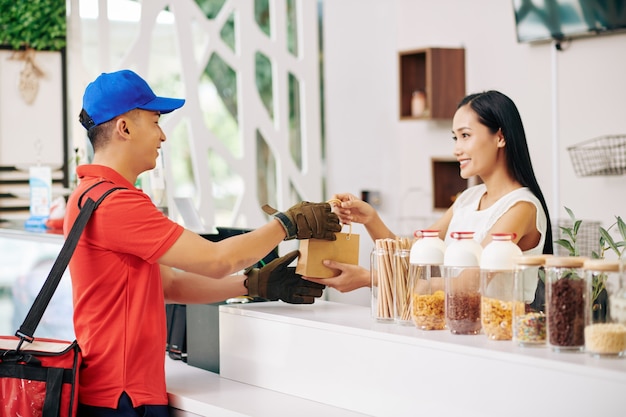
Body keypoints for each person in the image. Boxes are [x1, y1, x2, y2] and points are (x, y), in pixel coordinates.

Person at [65, 69, 341, 417]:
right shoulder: (117, 203)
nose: (163, 136)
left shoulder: (89, 195)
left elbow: (171, 285)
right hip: (124, 397)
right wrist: (286, 224)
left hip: (112, 390)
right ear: (124, 128)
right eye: (155, 121)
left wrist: (252, 284)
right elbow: (216, 259)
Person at [306, 90, 553, 293]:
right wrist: (370, 219)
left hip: (497, 340)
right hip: (454, 331)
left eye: (465, 135)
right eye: (455, 138)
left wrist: (371, 278)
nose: (457, 149)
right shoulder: (468, 199)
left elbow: (468, 284)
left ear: (500, 137)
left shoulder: (521, 207)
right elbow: (415, 254)